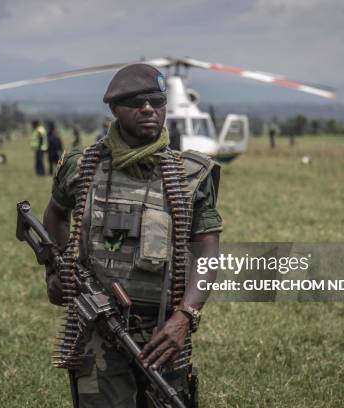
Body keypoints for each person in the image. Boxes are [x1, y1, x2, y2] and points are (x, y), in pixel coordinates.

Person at [42, 63, 222, 407]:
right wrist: (57, 269)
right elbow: (54, 214)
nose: (148, 109)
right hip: (97, 328)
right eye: (136, 102)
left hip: (164, 331)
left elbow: (208, 253)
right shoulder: (83, 166)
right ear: (114, 109)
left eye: (156, 100)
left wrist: (185, 317)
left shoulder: (190, 175)